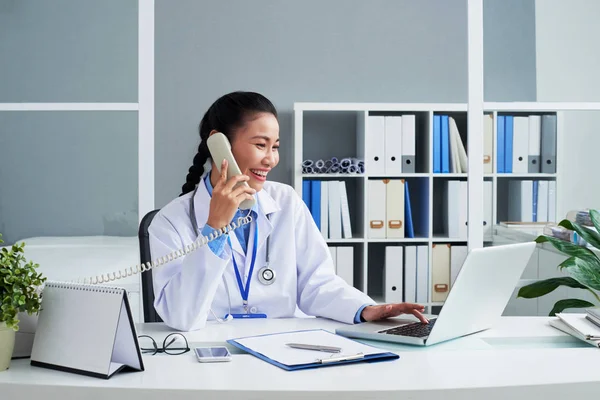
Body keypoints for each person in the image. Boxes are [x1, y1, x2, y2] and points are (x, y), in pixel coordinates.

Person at [149, 91, 429, 331]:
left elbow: (316, 284)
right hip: (212, 353)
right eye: (260, 145)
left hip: (281, 346)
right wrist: (215, 228)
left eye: (276, 147)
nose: (271, 159)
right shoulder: (171, 222)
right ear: (219, 143)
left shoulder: (286, 200)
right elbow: (181, 317)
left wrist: (365, 309)